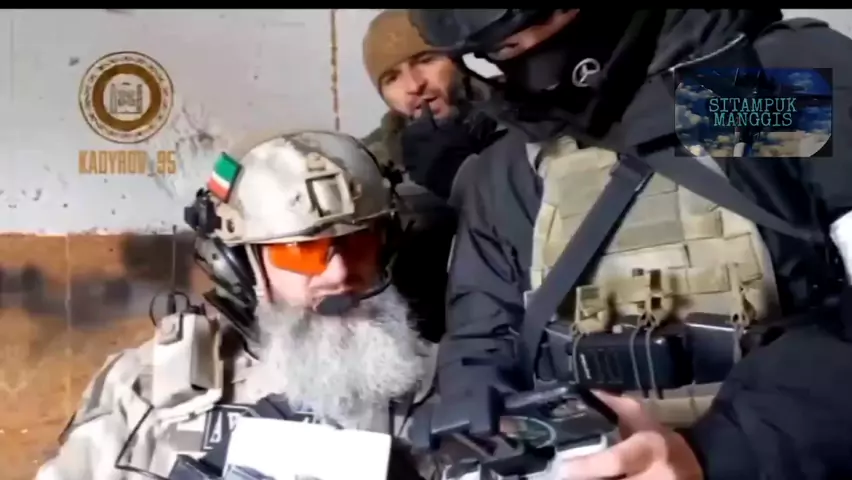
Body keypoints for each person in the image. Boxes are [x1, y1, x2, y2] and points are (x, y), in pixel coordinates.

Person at [408, 9, 852, 480]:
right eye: (501, 47)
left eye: (545, 17)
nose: (529, 49)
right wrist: (481, 431)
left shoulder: (745, 93)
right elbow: (483, 339)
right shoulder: (513, 166)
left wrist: (719, 451)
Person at [36, 130, 441, 480]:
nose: (338, 272)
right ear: (237, 264)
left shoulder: (450, 378)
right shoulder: (146, 386)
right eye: (302, 252)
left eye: (358, 243)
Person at [359, 9, 506, 342]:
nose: (414, 86)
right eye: (392, 78)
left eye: (426, 60)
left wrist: (461, 172)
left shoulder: (525, 124)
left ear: (455, 57)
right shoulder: (372, 163)